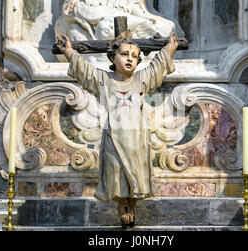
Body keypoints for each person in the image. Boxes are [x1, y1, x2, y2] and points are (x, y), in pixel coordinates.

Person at [56, 31, 179, 228]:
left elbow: (157, 67)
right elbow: (84, 71)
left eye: (135, 56)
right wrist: (69, 52)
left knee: (137, 175)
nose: (130, 59)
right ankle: (122, 205)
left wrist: (169, 49)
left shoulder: (141, 79)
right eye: (124, 54)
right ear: (113, 57)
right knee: (116, 173)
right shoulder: (104, 80)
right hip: (114, 138)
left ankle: (131, 204)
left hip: (137, 139)